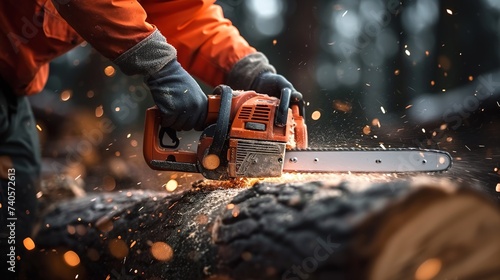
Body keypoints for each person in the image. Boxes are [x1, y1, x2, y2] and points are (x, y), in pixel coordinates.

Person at [0, 0, 301, 277]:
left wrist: (247, 69)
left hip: (11, 87)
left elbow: (181, 13)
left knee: (16, 217)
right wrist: (161, 66)